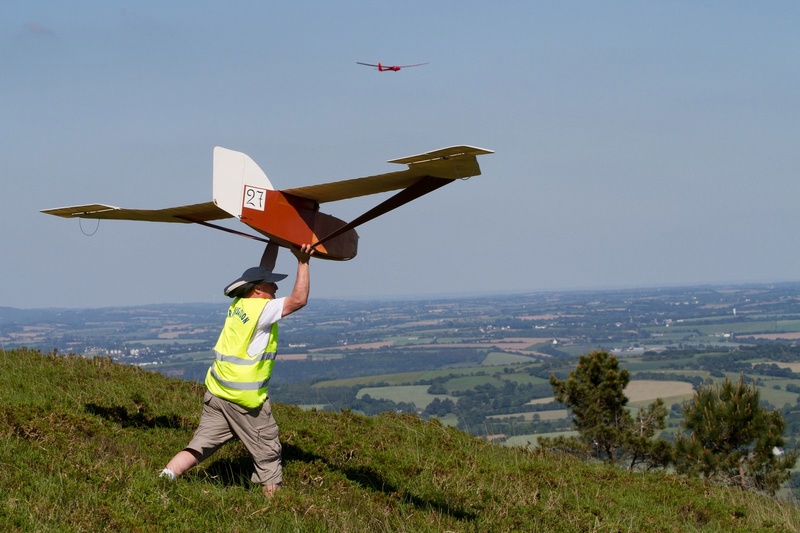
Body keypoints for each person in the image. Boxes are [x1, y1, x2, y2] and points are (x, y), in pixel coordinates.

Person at [160, 244, 314, 498]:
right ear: (258, 290)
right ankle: (275, 512)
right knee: (268, 454)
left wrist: (274, 239)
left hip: (217, 394)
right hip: (244, 401)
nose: (276, 288)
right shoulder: (261, 310)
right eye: (271, 285)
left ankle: (162, 480)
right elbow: (299, 300)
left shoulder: (238, 305)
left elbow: (264, 269)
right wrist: (303, 261)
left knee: (199, 447)